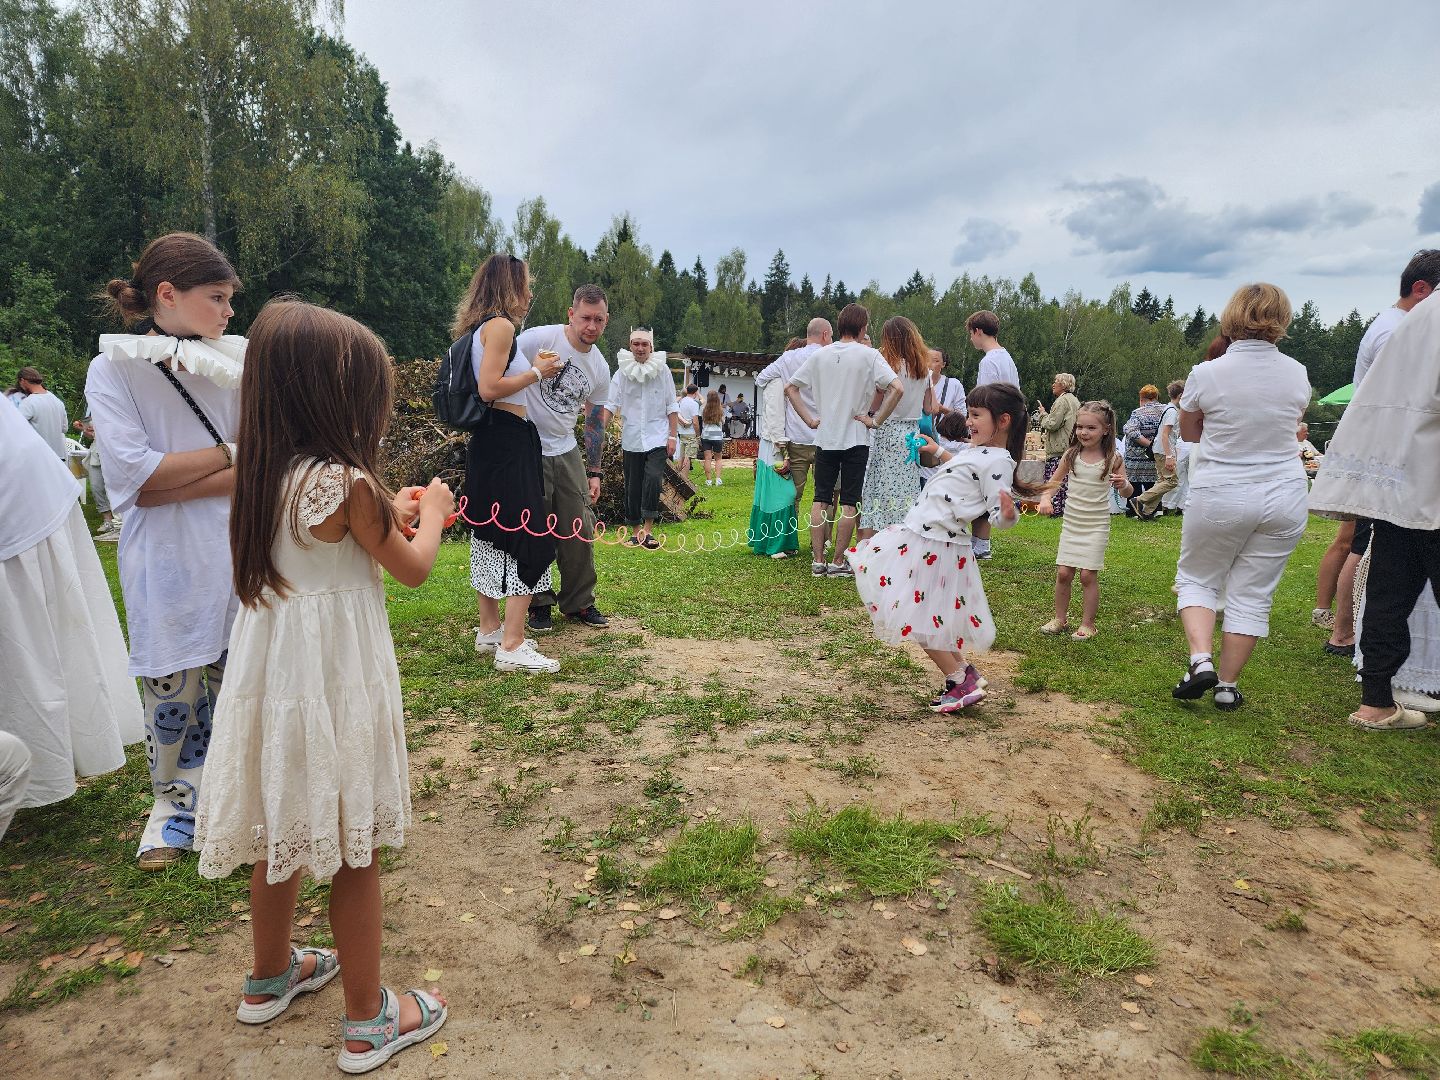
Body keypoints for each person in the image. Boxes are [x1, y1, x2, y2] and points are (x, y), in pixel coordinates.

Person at [195, 300, 451, 1075]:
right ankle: (369, 1020)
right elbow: (411, 568)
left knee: (281, 834)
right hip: (335, 688)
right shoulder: (348, 484)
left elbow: (344, 540)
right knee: (355, 848)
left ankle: (269, 975)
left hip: (275, 687)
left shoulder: (261, 475)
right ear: (333, 398)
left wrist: (391, 511)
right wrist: (431, 512)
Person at [85, 231, 245, 870]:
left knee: (244, 680)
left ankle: (242, 802)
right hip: (168, 558)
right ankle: (176, 810)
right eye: (217, 298)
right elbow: (133, 477)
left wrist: (174, 477)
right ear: (167, 295)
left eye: (231, 299)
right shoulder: (114, 367)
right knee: (173, 688)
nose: (229, 311)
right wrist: (235, 456)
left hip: (240, 543)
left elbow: (273, 455)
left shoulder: (242, 358)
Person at [0, 388, 142, 841]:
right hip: (35, 473)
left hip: (24, 494)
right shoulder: (45, 403)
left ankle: (44, 759)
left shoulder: (27, 404)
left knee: (35, 645)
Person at [848, 384, 1039, 713]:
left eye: (977, 415)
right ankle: (964, 674)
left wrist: (1008, 514)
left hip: (934, 543)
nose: (969, 421)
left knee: (917, 617)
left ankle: (957, 680)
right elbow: (963, 468)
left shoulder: (999, 462)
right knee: (926, 615)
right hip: (927, 538)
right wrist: (937, 450)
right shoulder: (979, 451)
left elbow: (998, 513)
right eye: (969, 414)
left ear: (1003, 420)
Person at [1171, 284, 1311, 711]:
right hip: (1284, 493)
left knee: (1198, 576)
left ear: (1231, 317)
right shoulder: (1297, 372)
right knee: (1253, 594)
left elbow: (1191, 432)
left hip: (1223, 490)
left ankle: (1200, 660)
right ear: (1281, 321)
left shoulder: (1207, 373)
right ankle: (1227, 686)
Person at [1310, 286, 1440, 730]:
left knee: (1389, 592)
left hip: (1399, 477)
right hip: (1430, 476)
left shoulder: (1419, 317)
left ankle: (1376, 701)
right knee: (1389, 592)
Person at [453, 254, 563, 673]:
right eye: (525, 285)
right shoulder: (501, 327)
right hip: (506, 439)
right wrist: (537, 373)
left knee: (489, 529)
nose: (530, 293)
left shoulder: (478, 329)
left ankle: (490, 629)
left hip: (490, 441)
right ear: (508, 287)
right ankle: (513, 644)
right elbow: (489, 389)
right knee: (529, 533)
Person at [512, 285, 613, 634]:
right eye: (585, 318)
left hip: (565, 448)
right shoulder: (536, 340)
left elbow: (595, 420)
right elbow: (501, 373)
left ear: (606, 321)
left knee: (579, 528)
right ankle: (538, 604)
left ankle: (579, 603)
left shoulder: (599, 367)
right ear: (571, 315)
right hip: (527, 445)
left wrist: (595, 470)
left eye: (599, 319)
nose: (591, 326)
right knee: (534, 528)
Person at [785, 303, 903, 578]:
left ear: (838, 327)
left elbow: (790, 387)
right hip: (856, 437)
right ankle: (838, 561)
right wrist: (876, 420)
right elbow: (896, 388)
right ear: (863, 328)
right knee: (850, 502)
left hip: (825, 436)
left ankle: (818, 560)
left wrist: (810, 420)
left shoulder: (820, 356)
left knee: (820, 499)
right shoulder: (870, 355)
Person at [1038, 401, 1131, 639]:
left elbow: (1127, 493)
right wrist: (1046, 498)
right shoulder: (1071, 455)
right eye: (1080, 427)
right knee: (1063, 573)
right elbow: (1053, 483)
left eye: (1091, 428)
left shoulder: (1114, 458)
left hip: (1097, 525)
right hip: (1072, 523)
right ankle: (1060, 618)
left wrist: (1124, 485)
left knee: (1087, 576)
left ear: (1106, 429)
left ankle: (1088, 624)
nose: (1083, 432)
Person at [857, 316, 935, 539]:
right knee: (907, 488)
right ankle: (906, 537)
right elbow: (930, 408)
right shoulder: (923, 370)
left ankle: (877, 539)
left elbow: (875, 403)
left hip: (888, 429)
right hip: (911, 434)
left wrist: (869, 414)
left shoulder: (888, 368)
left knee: (880, 487)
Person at [606, 328, 679, 548]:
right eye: (636, 344)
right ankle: (635, 531)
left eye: (644, 344)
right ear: (630, 346)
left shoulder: (663, 370)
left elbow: (671, 404)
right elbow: (611, 404)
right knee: (633, 484)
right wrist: (599, 431)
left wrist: (672, 436)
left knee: (653, 478)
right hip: (631, 437)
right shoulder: (621, 373)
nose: (640, 348)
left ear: (651, 347)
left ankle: (648, 530)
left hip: (658, 436)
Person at [755, 318, 832, 506]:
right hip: (827, 436)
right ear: (825, 334)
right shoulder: (832, 356)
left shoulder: (788, 358)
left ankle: (789, 534)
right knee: (826, 497)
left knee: (792, 496)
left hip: (797, 437)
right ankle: (824, 536)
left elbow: (762, 379)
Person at [965, 310, 1018, 558]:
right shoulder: (1006, 357)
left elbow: (983, 401)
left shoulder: (988, 362)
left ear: (977, 331)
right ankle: (981, 542)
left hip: (992, 430)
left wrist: (976, 430)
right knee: (990, 482)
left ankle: (980, 542)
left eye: (971, 335)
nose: (971, 340)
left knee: (979, 482)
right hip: (1006, 427)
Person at [1131, 380, 1185, 519]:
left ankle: (1147, 511)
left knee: (1162, 481)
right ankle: (1140, 500)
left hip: (1159, 449)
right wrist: (1169, 456)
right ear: (1180, 395)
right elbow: (1165, 435)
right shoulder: (1172, 412)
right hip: (1163, 451)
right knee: (1171, 482)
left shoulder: (1168, 408)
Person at [1035, 373, 1079, 516]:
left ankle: (1056, 509)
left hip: (1059, 448)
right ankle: (1065, 509)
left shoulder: (1062, 401)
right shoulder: (1074, 401)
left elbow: (1052, 424)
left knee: (1056, 481)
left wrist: (1042, 414)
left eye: (1056, 382)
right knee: (1066, 483)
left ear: (1064, 385)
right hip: (1070, 445)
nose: (1053, 384)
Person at [73, 414, 122, 537]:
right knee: (96, 487)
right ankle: (108, 520)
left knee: (114, 488)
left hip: (113, 452)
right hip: (96, 453)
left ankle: (120, 522)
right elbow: (93, 436)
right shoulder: (92, 413)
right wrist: (84, 429)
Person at [1121, 386, 1167, 505]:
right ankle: (1154, 509)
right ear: (1156, 397)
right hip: (1158, 455)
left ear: (1141, 399)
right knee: (1154, 483)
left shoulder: (1138, 413)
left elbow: (1131, 431)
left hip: (1137, 457)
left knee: (1135, 483)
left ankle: (1133, 508)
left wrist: (1149, 444)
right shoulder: (1166, 410)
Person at [14, 367, 68, 460]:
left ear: (22, 381)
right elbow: (64, 429)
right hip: (59, 457)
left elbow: (15, 429)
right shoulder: (57, 401)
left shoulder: (29, 402)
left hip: (39, 457)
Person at [700, 390, 726, 486]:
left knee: (707, 458)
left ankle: (709, 480)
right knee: (718, 458)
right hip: (717, 435)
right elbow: (723, 422)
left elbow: (702, 421)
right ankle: (718, 479)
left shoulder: (704, 409)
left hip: (706, 435)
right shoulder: (720, 410)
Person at [676, 384, 702, 475]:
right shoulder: (694, 404)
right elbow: (695, 422)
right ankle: (684, 479)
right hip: (691, 432)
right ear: (695, 393)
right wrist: (698, 435)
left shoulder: (681, 401)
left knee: (681, 456)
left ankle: (678, 476)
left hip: (682, 431)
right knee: (688, 457)